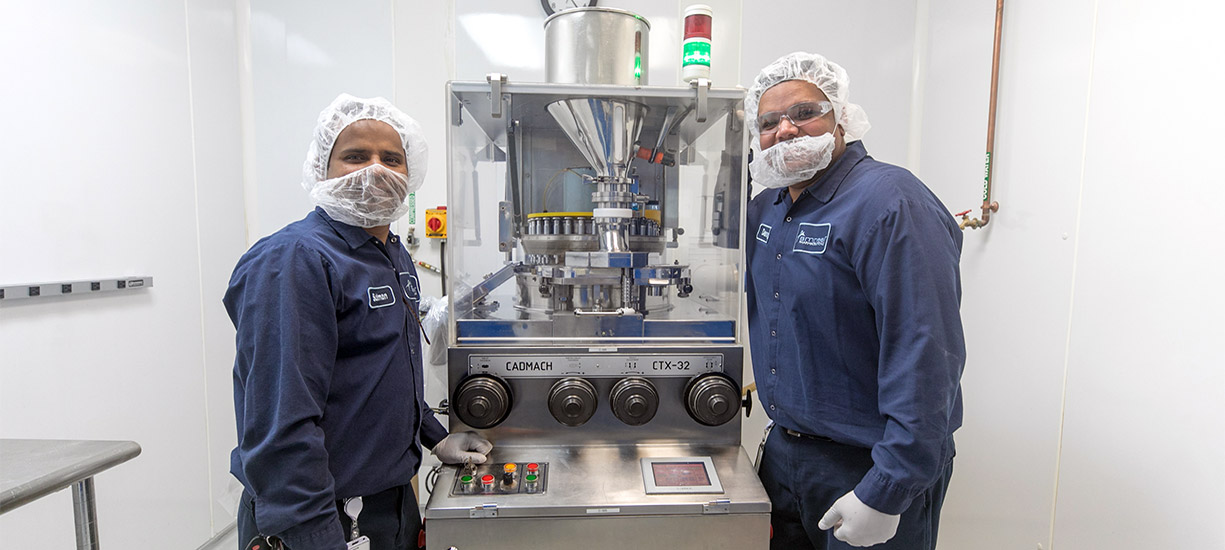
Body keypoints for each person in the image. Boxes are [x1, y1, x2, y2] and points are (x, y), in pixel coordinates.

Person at [224, 94, 492, 550]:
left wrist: (434, 438)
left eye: (391, 159)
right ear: (322, 168)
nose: (376, 170)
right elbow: (280, 427)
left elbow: (388, 374)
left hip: (387, 505)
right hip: (316, 516)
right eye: (355, 156)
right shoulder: (295, 260)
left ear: (410, 174)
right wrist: (315, 535)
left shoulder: (390, 254)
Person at [744, 52, 966, 549]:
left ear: (841, 116)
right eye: (768, 122)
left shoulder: (891, 203)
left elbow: (926, 354)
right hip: (785, 455)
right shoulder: (767, 209)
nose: (785, 130)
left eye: (805, 112)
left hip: (868, 464)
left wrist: (887, 490)